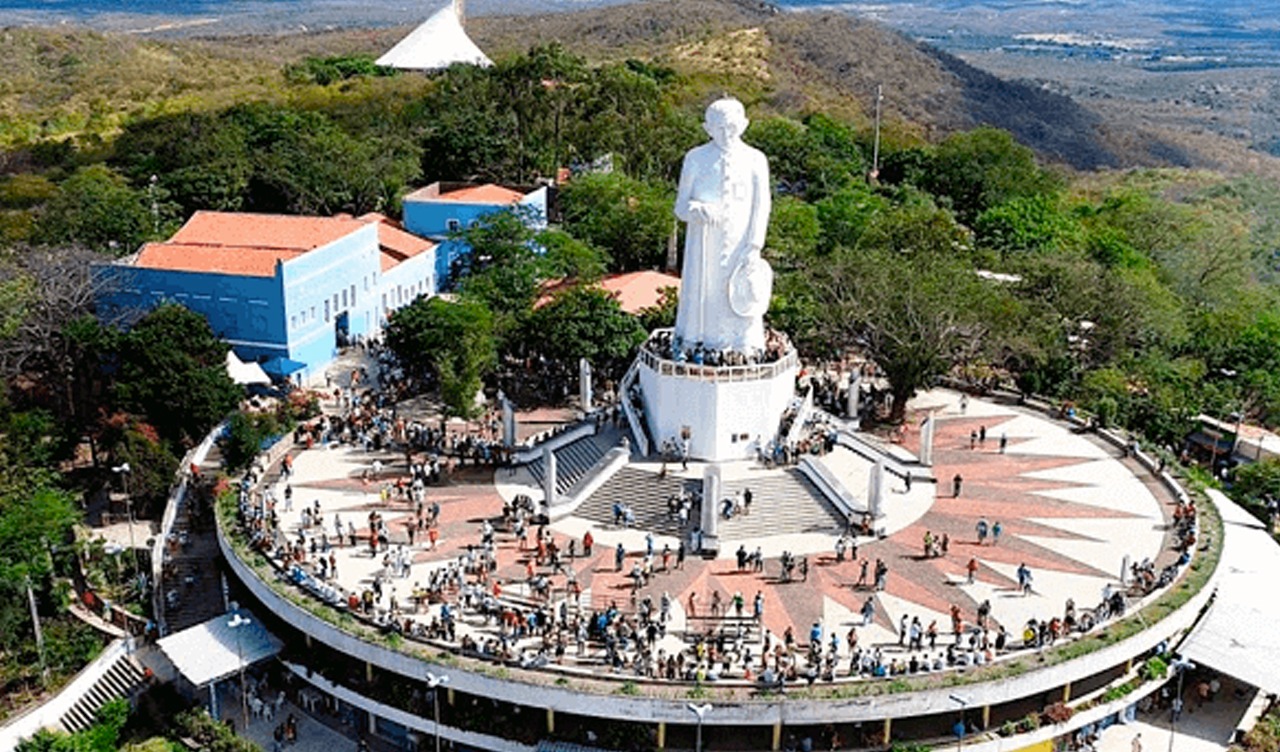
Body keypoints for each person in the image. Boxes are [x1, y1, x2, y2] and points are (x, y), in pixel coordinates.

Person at [672, 97, 773, 353]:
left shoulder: (755, 159)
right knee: (704, 296)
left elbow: (762, 206)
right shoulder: (695, 158)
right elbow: (680, 207)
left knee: (742, 298)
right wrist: (698, 209)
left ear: (744, 125)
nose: (726, 134)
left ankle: (744, 346)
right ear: (707, 128)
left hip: (741, 244)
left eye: (731, 127)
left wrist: (754, 246)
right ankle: (697, 343)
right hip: (704, 246)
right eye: (719, 128)